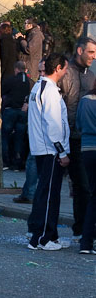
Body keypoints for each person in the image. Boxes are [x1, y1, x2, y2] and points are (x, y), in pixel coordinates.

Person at [26, 53, 70, 251]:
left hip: (41, 147)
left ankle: (47, 233)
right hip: (50, 150)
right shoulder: (50, 91)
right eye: (65, 68)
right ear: (58, 68)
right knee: (49, 193)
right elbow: (53, 123)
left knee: (46, 192)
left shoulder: (39, 86)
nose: (66, 71)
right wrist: (62, 152)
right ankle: (42, 238)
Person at [59, 37, 96, 239]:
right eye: (91, 52)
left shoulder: (90, 76)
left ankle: (84, 228)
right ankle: (81, 229)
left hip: (86, 138)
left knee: (86, 186)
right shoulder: (67, 73)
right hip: (69, 138)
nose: (94, 56)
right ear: (80, 50)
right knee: (81, 185)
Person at [13, 59, 47, 205]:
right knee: (31, 162)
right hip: (36, 130)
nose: (41, 74)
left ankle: (30, 192)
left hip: (40, 131)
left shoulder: (42, 86)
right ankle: (29, 192)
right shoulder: (38, 86)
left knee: (32, 162)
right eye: (39, 71)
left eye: (43, 71)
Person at [1, 61, 32, 170]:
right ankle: (18, 162)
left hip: (10, 111)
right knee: (19, 137)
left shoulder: (11, 80)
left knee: (4, 136)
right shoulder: (30, 81)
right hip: (23, 112)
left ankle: (5, 162)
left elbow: (2, 91)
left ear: (16, 69)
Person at [76, 83, 96, 254]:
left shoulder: (84, 100)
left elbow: (78, 124)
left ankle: (86, 241)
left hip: (87, 149)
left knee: (93, 196)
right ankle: (88, 240)